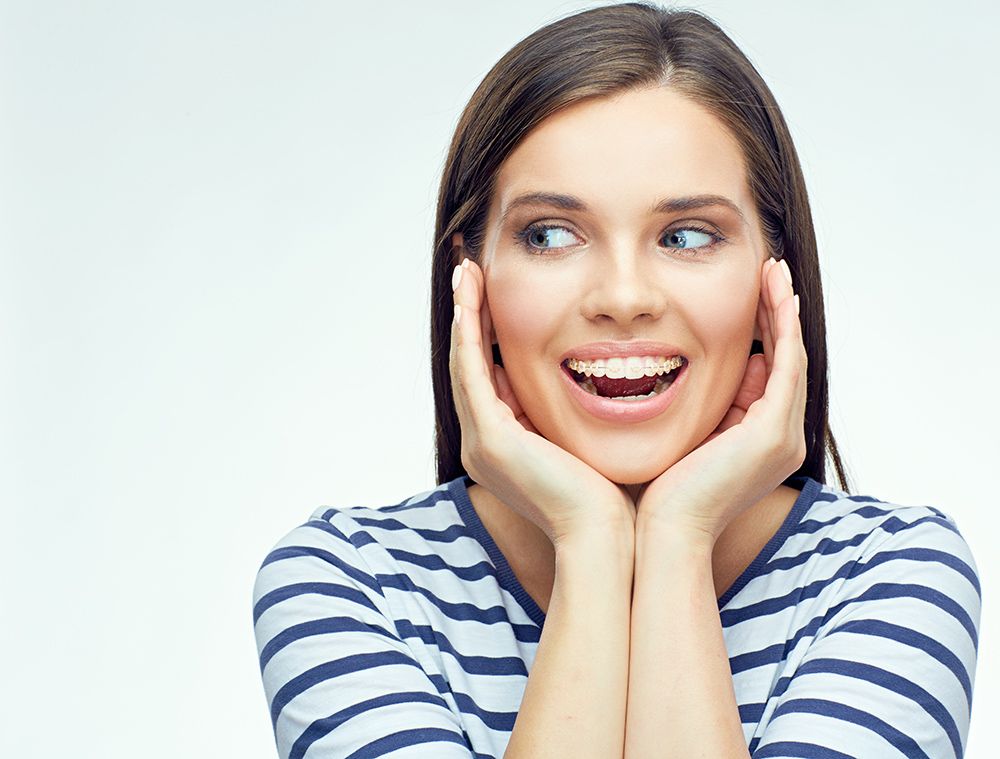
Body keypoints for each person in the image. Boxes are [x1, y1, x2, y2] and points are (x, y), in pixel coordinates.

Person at [252, 3, 982, 757]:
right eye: (550, 235)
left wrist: (676, 537)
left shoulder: (890, 576)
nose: (624, 295)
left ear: (775, 283)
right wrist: (592, 542)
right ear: (472, 279)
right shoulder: (349, 584)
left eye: (687, 235)